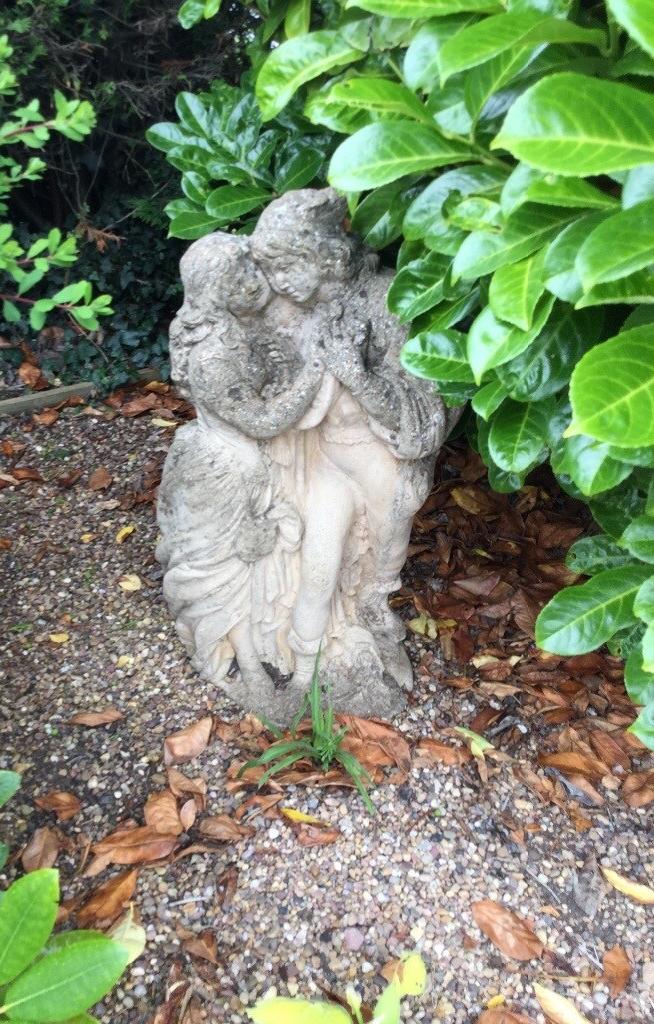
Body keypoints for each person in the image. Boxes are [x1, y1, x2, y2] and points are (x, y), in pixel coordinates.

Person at [251, 189, 451, 689]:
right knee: (319, 556)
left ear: (327, 256)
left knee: (381, 558)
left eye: (289, 266)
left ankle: (373, 618)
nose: (278, 282)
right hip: (325, 457)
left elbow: (424, 416)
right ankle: (305, 657)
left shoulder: (389, 300)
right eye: (271, 269)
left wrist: (359, 376)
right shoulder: (293, 311)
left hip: (379, 460)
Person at [156, 233, 324, 706]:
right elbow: (263, 420)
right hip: (222, 475)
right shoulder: (210, 353)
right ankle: (243, 660)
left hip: (250, 469)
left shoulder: (237, 333)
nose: (254, 283)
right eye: (242, 274)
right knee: (224, 570)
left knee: (255, 562)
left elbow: (266, 388)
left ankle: (259, 653)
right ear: (218, 284)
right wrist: (316, 371)